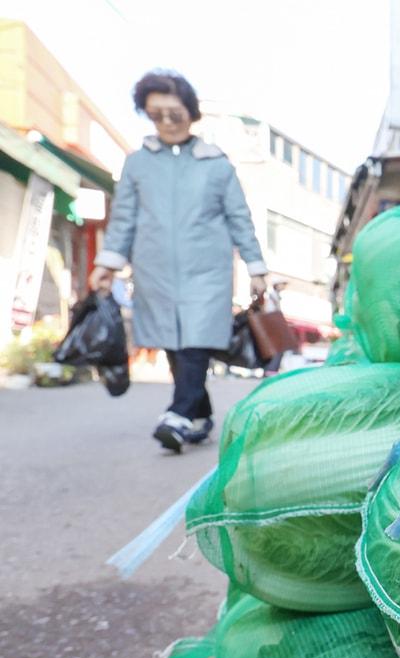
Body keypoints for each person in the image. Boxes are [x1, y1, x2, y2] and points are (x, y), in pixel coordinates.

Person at [89, 70, 268, 453]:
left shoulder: (217, 164)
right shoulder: (137, 163)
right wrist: (108, 263)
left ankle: (178, 413)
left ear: (191, 112)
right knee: (173, 345)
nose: (167, 122)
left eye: (175, 113)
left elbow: (239, 217)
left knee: (196, 342)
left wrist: (255, 266)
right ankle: (199, 415)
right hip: (153, 270)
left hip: (208, 270)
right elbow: (123, 218)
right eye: (157, 115)